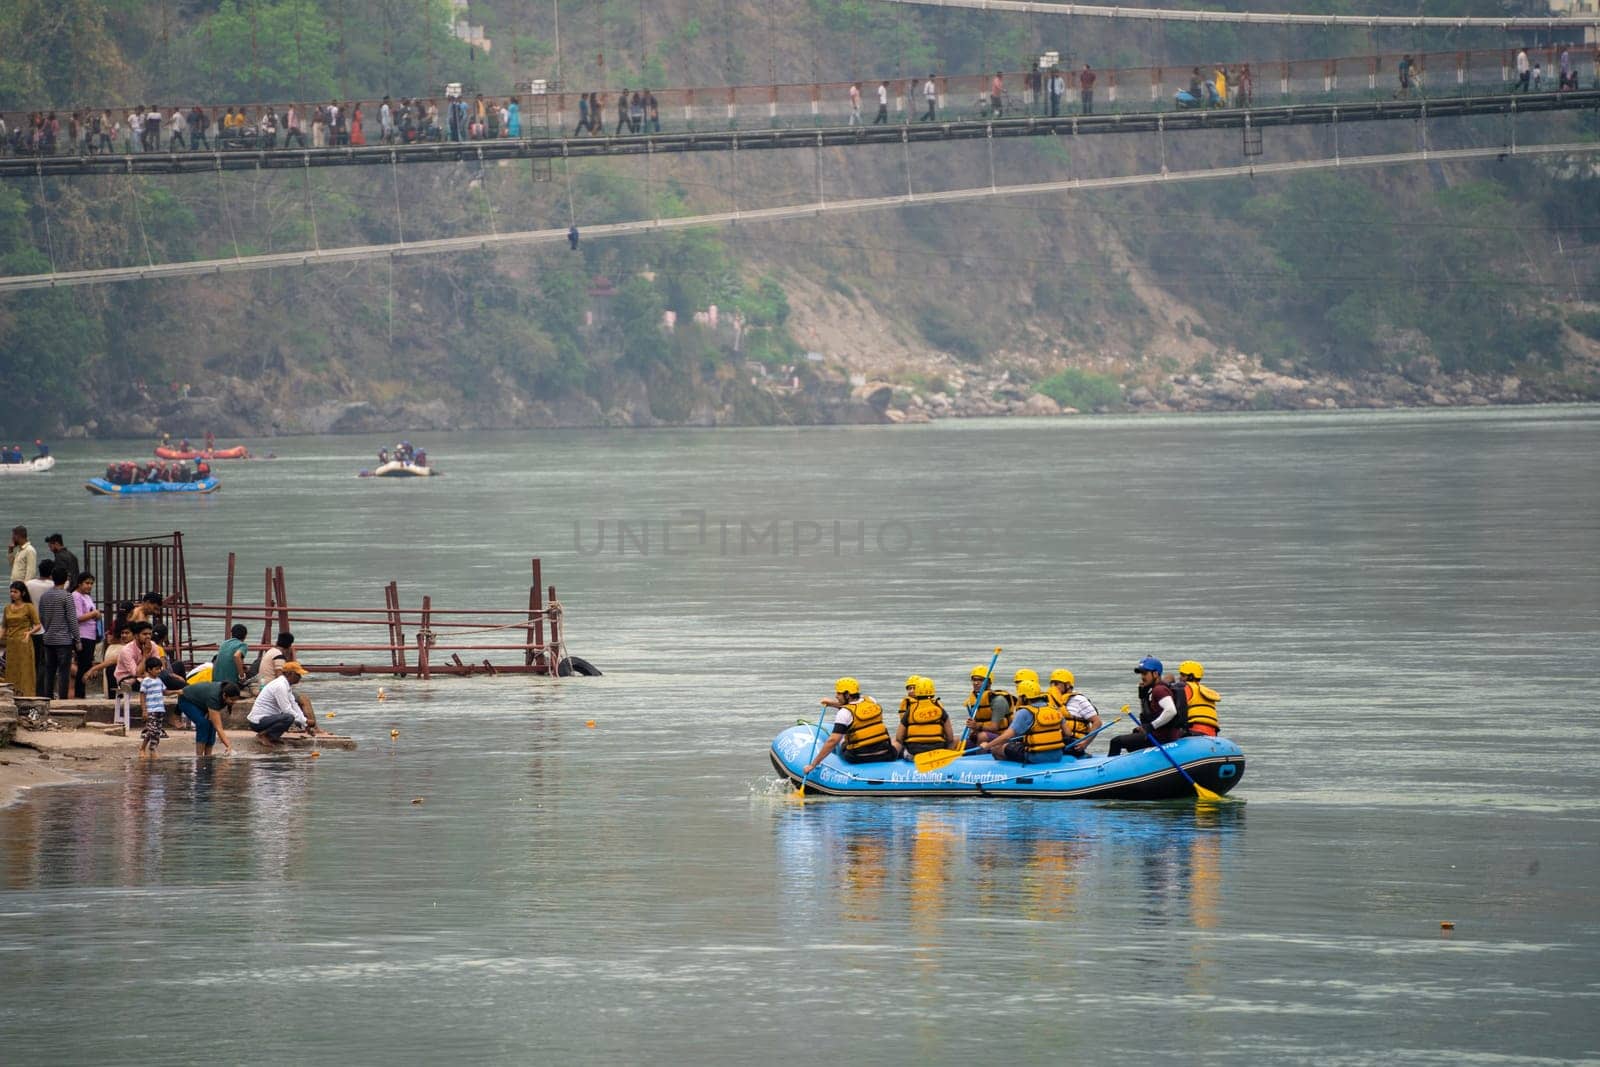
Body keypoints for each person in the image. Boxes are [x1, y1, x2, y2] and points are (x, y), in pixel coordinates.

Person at [801, 677, 897, 773]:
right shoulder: (871, 701)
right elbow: (855, 706)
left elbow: (833, 741)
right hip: (885, 754)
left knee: (842, 738)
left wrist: (813, 764)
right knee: (896, 740)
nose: (836, 696)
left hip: (858, 757)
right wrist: (833, 704)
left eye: (839, 693)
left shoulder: (843, 713)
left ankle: (840, 763)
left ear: (847, 695)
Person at [1108, 656, 1188, 756]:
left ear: (1155, 674)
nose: (1142, 677)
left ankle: (1111, 769)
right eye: (1141, 673)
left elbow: (1171, 711)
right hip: (1160, 734)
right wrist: (1143, 697)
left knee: (1116, 741)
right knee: (1133, 738)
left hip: (1161, 736)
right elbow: (1147, 716)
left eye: (1145, 673)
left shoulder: (1159, 690)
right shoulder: (1153, 690)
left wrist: (1151, 726)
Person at [979, 679, 1067, 762]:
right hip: (1057, 755)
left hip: (1034, 757)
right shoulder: (1055, 709)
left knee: (996, 748)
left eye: (1020, 696)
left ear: (1025, 697)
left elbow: (1006, 737)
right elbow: (1068, 733)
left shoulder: (1025, 712)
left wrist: (988, 746)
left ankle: (1011, 773)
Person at [247, 661, 323, 745]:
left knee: (290, 717)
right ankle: (264, 735)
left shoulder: (286, 685)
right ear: (290, 674)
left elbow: (294, 705)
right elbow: (286, 709)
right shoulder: (280, 686)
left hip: (268, 719)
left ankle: (273, 737)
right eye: (298, 675)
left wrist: (305, 724)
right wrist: (305, 720)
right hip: (258, 722)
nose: (300, 677)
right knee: (288, 717)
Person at [37, 565, 77, 699]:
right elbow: (72, 619)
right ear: (66, 579)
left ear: (52, 578)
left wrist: (49, 629)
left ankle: (48, 697)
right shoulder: (67, 596)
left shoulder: (44, 596)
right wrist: (77, 639)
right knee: (63, 671)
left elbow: (41, 617)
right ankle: (62, 698)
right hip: (64, 640)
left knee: (50, 670)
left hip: (48, 638)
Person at [175, 679, 239, 756]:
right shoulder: (214, 697)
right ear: (224, 695)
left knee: (212, 724)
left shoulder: (223, 693)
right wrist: (229, 746)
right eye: (232, 700)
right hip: (186, 700)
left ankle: (208, 757)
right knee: (203, 723)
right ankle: (199, 757)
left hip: (202, 703)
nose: (234, 702)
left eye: (236, 700)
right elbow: (219, 727)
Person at [1047, 669, 1103, 757]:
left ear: (1068, 685)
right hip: (1057, 740)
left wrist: (1085, 742)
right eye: (1053, 683)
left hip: (1073, 742)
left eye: (1057, 683)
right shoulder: (1051, 701)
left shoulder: (1079, 700)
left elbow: (1097, 722)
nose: (1054, 687)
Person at [896, 676, 954, 757]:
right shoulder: (939, 709)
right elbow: (950, 738)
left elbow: (899, 737)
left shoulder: (911, 710)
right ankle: (951, 761)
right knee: (954, 741)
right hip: (937, 751)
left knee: (897, 744)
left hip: (915, 753)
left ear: (917, 691)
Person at [963, 663, 1013, 749]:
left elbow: (994, 727)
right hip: (982, 735)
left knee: (982, 736)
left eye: (980, 680)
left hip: (1000, 738)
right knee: (956, 741)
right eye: (974, 680)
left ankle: (980, 760)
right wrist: (973, 730)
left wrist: (977, 726)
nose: (976, 683)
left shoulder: (998, 700)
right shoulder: (974, 700)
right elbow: (975, 725)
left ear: (989, 682)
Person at [4, 581, 39, 695]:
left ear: (22, 593)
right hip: (11, 643)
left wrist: (29, 632)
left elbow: (38, 625)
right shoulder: (7, 608)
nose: (12, 594)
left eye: (15, 592)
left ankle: (27, 694)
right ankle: (11, 694)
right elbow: (3, 626)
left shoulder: (29, 607)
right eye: (11, 591)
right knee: (11, 670)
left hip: (24, 642)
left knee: (25, 671)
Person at [70, 571, 101, 698]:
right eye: (87, 583)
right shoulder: (76, 596)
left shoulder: (87, 597)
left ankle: (81, 691)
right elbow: (77, 617)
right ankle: (79, 693)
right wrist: (94, 614)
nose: (89, 586)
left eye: (91, 584)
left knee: (86, 664)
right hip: (82, 635)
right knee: (83, 665)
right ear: (79, 583)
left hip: (91, 635)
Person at [83, 622, 132, 698]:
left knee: (112, 668)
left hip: (134, 678)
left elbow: (112, 661)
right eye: (122, 633)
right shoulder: (122, 647)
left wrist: (93, 669)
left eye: (127, 633)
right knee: (111, 669)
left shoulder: (131, 647)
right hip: (124, 679)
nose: (124, 635)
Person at [1171, 660, 1221, 737]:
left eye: (1183, 675)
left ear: (1191, 677)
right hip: (1213, 733)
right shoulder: (1205, 691)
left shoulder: (1185, 687)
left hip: (1194, 731)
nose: (1180, 678)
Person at [138, 656, 168, 754]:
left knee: (157, 731)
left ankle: (153, 748)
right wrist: (144, 710)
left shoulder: (159, 681)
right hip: (151, 710)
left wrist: (178, 691)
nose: (159, 671)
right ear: (149, 670)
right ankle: (142, 748)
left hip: (160, 709)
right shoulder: (145, 681)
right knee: (151, 730)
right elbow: (142, 696)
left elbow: (165, 692)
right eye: (156, 669)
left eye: (160, 668)